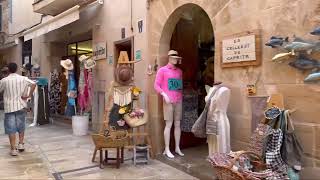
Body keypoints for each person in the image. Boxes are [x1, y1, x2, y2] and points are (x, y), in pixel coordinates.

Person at [0, 63, 36, 156]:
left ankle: (13, 149)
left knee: (10, 128)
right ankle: (20, 144)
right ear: (16, 69)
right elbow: (33, 84)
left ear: (8, 69)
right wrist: (28, 95)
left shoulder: (4, 80)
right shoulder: (23, 78)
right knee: (21, 125)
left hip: (9, 107)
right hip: (21, 105)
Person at [154, 50, 184, 158]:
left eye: (176, 58)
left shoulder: (179, 71)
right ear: (169, 58)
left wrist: (180, 96)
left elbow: (179, 86)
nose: (175, 59)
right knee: (169, 124)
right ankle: (167, 148)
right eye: (173, 57)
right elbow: (156, 85)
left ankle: (177, 147)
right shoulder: (162, 70)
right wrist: (164, 95)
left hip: (178, 100)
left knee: (177, 124)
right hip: (168, 101)